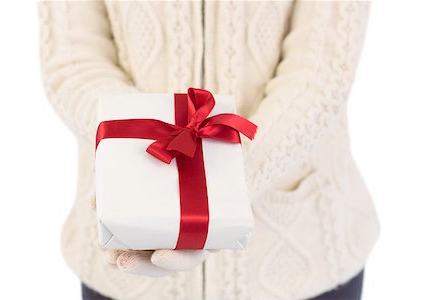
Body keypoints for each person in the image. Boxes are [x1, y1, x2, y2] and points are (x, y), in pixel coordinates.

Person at [37, 1, 380, 299]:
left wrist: (225, 186)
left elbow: (321, 67)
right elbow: (72, 61)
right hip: (122, 274)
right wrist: (136, 173)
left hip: (301, 258)